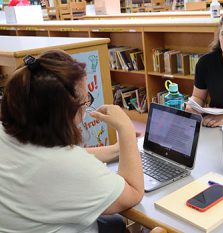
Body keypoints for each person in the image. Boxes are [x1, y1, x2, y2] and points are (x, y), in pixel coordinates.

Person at [0, 49, 144, 233]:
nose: (85, 108)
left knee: (113, 222)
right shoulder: (69, 166)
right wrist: (125, 128)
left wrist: (118, 149)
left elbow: (55, 158)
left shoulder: (11, 133)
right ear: (64, 114)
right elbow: (133, 192)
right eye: (85, 101)